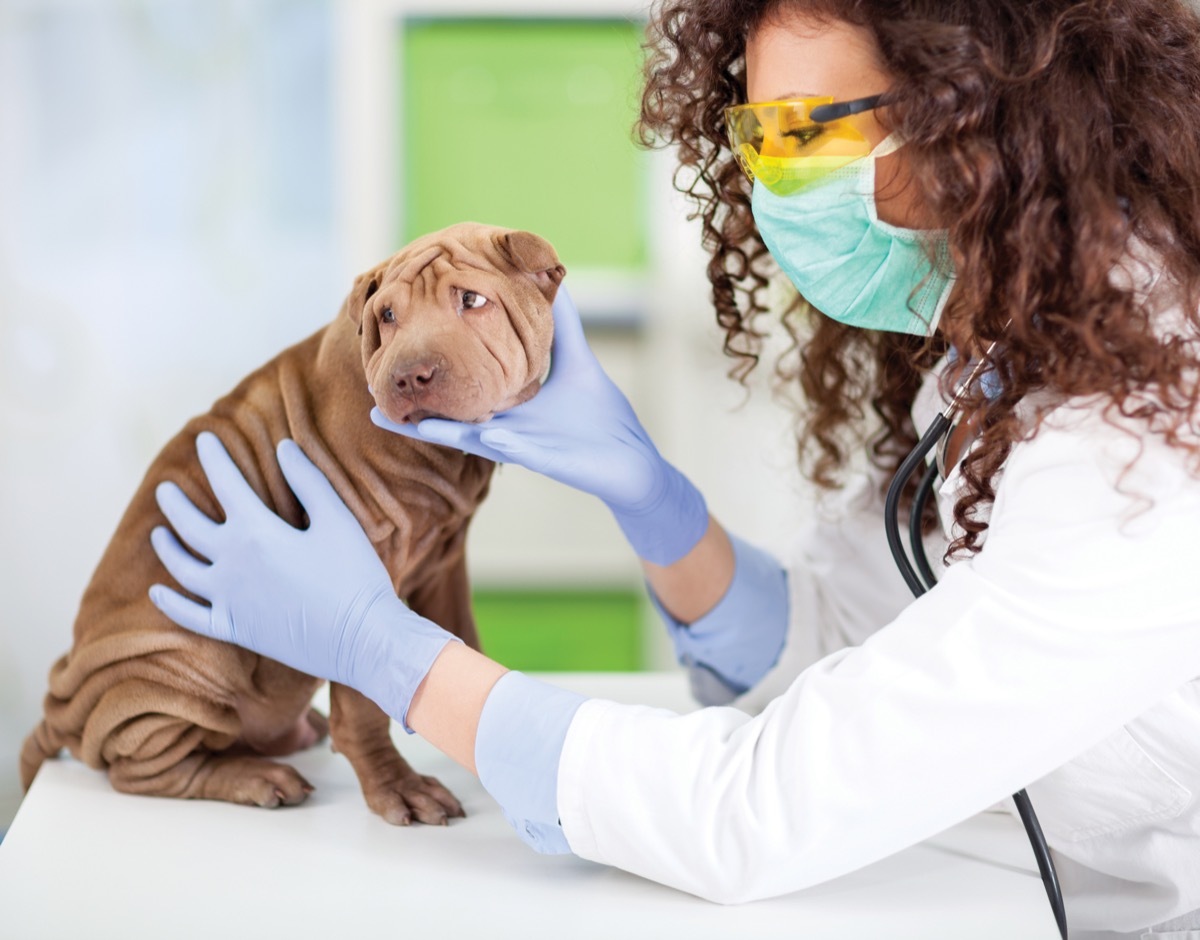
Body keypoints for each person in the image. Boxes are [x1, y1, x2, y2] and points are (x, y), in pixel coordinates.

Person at [146, 1, 1200, 937]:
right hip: (958, 876)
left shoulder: (1139, 442)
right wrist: (648, 496)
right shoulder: (1000, 339)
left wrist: (389, 655)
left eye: (798, 139)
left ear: (974, 117)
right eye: (754, 133)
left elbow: (750, 813)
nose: (765, 183)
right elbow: (847, 645)